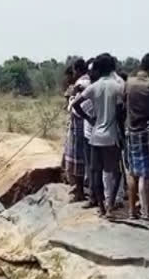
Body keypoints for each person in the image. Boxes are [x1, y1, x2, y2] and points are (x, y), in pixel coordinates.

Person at [72, 53, 125, 217]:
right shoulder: (118, 87)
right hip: (111, 135)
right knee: (116, 172)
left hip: (95, 135)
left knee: (96, 171)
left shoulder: (93, 87)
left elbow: (75, 104)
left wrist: (90, 118)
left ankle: (101, 207)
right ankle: (110, 206)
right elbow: (121, 109)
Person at [125, 53, 149, 221]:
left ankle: (132, 211)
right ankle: (147, 212)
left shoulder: (129, 83)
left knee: (133, 173)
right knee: (148, 174)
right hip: (146, 131)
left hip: (131, 130)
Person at [64, 59, 90, 202]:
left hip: (79, 123)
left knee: (77, 158)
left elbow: (75, 106)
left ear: (77, 70)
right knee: (81, 158)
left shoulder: (82, 84)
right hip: (83, 123)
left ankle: (80, 191)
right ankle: (80, 189)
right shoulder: (88, 81)